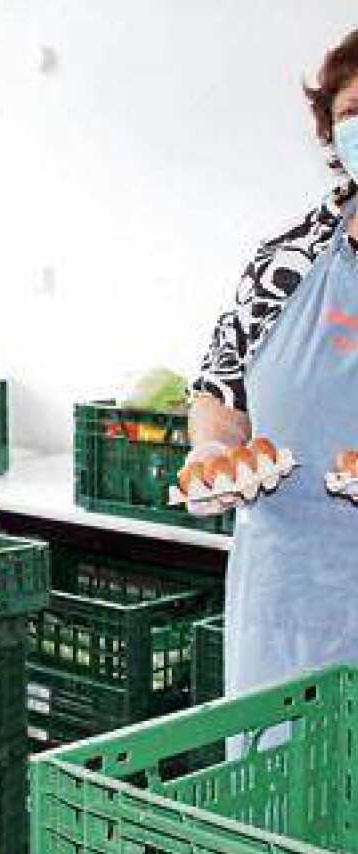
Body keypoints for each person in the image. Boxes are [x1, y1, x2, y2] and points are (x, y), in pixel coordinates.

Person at [188, 29, 358, 700]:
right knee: (275, 783)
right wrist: (211, 448)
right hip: (283, 597)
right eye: (350, 112)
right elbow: (219, 381)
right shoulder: (284, 258)